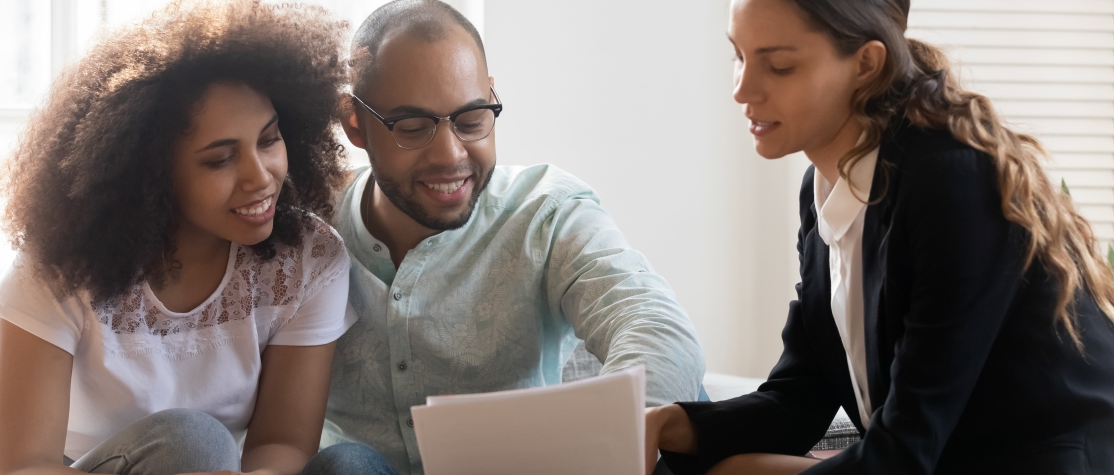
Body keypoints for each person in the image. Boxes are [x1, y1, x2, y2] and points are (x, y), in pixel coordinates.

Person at [644, 0, 1114, 474]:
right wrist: (669, 423)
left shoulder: (951, 182)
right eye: (738, 57)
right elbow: (800, 397)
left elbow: (906, 452)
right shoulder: (824, 188)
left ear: (866, 65)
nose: (743, 90)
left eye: (779, 66)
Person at [304, 1, 706, 474]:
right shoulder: (306, 229)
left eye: (472, 119)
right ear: (355, 122)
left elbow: (652, 322)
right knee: (346, 464)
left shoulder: (545, 212)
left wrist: (613, 438)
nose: (450, 155)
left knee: (687, 404)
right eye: (412, 128)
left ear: (491, 94)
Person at [0, 2, 356, 474]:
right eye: (220, 160)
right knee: (193, 440)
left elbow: (281, 443)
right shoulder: (61, 262)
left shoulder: (307, 258)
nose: (261, 178)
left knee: (350, 465)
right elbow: (21, 466)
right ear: (151, 175)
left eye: (268, 139)